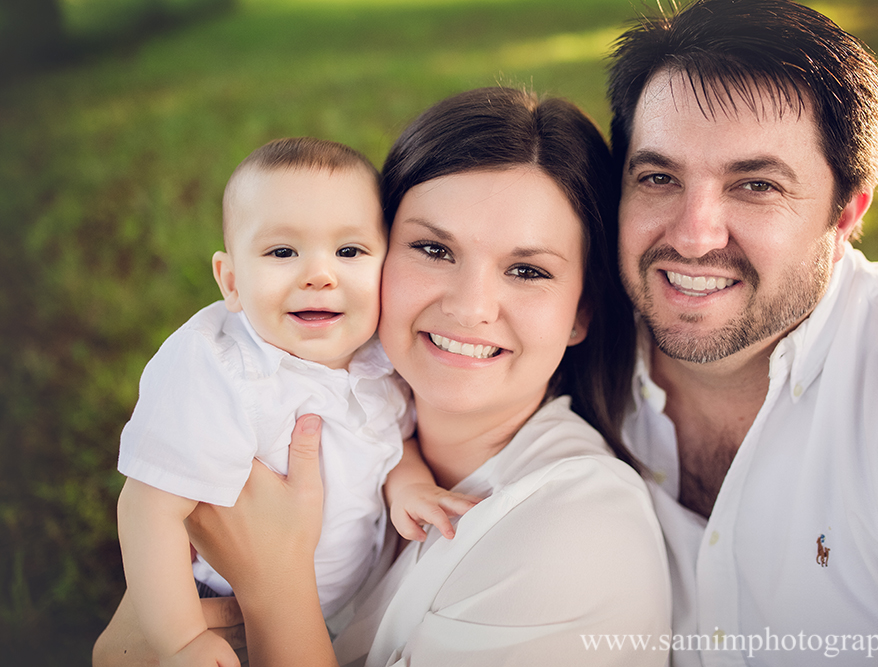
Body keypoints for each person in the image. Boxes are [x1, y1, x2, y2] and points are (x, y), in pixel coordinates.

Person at [94, 87, 672, 666]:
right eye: (432, 249)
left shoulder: (577, 537)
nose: (471, 308)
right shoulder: (328, 392)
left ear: (581, 311)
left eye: (526, 269)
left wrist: (273, 585)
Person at [608, 0, 878, 664]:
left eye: (756, 185)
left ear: (847, 213)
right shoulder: (558, 343)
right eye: (659, 177)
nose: (692, 234)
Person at [114, 137, 477, 667]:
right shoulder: (218, 369)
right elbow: (149, 507)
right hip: (218, 608)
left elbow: (392, 438)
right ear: (232, 282)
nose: (319, 275)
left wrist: (411, 484)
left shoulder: (376, 358)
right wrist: (181, 637)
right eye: (283, 252)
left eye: (349, 252)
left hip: (330, 612)